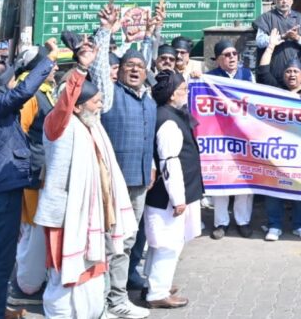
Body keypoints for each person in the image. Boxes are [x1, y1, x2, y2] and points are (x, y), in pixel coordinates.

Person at [36, 60, 136, 319]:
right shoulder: (58, 125)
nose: (100, 105)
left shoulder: (92, 125)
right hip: (66, 214)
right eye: (95, 102)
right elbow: (64, 102)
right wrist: (80, 69)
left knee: (93, 268)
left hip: (94, 214)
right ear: (78, 106)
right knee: (65, 272)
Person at [0, 48, 56, 319]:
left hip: (2, 187)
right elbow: (22, 93)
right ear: (0, 84)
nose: (14, 82)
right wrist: (49, 60)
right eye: (10, 79)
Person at [100, 49, 156, 319]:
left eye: (140, 66)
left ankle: (117, 296)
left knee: (128, 241)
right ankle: (107, 299)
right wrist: (104, 33)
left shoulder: (149, 101)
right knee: (111, 243)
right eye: (129, 65)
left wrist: (151, 166)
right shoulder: (110, 95)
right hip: (114, 184)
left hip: (140, 182)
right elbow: (100, 71)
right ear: (119, 69)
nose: (135, 70)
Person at [142, 71, 200, 309]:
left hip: (167, 194)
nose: (186, 93)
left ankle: (154, 282)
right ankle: (157, 292)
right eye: (183, 90)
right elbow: (169, 162)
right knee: (169, 244)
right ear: (171, 95)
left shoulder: (167, 114)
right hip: (167, 196)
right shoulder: (168, 121)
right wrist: (178, 199)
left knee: (163, 243)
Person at [205, 42, 255, 239]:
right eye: (227, 55)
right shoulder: (210, 78)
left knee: (244, 178)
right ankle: (221, 222)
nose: (232, 57)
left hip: (243, 135)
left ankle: (243, 221)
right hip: (220, 136)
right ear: (218, 59)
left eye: (234, 53)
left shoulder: (247, 75)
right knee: (221, 178)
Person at [264, 60, 301, 242]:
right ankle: (274, 225)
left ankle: (299, 224)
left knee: (299, 188)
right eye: (288, 71)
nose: (292, 75)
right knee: (273, 187)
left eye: (295, 71)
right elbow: (263, 72)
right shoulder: (275, 93)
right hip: (277, 150)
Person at [253, 0, 301, 81]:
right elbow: (259, 42)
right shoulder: (266, 18)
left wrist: (297, 38)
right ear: (275, 0)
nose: (284, 1)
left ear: (292, 0)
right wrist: (282, 37)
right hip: (273, 73)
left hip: (295, 75)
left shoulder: (300, 18)